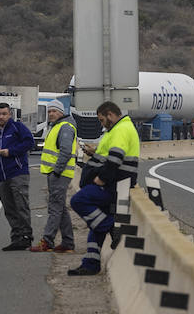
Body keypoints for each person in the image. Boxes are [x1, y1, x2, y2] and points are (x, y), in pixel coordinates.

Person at [68, 101, 141, 276]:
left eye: (102, 120)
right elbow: (109, 154)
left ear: (110, 115)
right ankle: (91, 263)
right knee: (96, 224)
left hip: (113, 185)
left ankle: (111, 227)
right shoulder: (115, 130)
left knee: (78, 201)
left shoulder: (121, 129)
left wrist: (101, 179)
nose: (101, 123)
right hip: (114, 184)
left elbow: (116, 158)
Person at [0, 101, 35, 251]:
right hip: (1, 175)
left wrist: (9, 151)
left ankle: (26, 236)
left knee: (21, 205)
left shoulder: (17, 128)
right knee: (9, 208)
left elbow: (29, 143)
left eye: (4, 114)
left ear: (10, 114)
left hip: (18, 172)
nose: (1, 117)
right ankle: (16, 237)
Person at [31, 101, 78, 253]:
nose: (51, 113)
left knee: (55, 208)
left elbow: (65, 151)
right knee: (60, 208)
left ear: (61, 112)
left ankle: (47, 241)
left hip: (59, 173)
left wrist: (57, 171)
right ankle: (68, 243)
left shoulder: (65, 127)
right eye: (49, 111)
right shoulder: (57, 126)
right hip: (55, 173)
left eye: (54, 111)